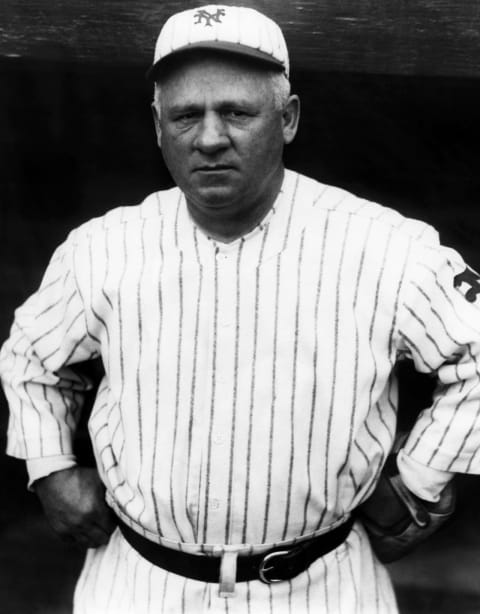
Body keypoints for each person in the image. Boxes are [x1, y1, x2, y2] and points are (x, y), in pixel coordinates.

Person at [1, 4, 480, 613]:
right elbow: (32, 358)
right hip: (140, 581)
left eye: (236, 112)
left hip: (322, 582)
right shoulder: (102, 247)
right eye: (185, 115)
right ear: (156, 126)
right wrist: (50, 469)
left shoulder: (386, 246)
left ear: (288, 119)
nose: (209, 137)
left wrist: (420, 476)